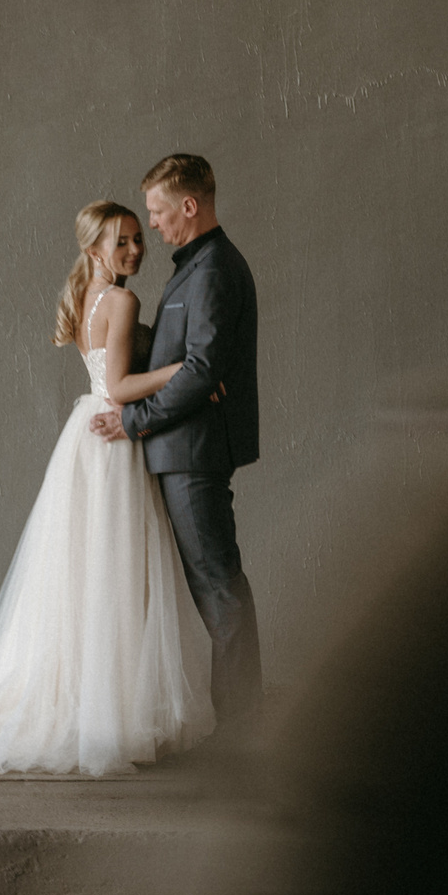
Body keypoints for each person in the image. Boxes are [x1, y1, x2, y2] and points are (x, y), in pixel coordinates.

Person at [0, 201, 215, 775]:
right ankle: (110, 714)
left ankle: (97, 703)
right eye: (122, 243)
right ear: (93, 251)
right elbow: (119, 384)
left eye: (138, 239)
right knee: (114, 574)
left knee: (87, 575)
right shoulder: (123, 299)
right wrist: (188, 370)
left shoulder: (89, 294)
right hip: (111, 440)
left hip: (85, 436)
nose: (135, 251)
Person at [90, 154, 262, 747]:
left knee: (219, 589)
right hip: (185, 449)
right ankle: (240, 726)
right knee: (217, 588)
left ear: (189, 205)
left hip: (193, 454)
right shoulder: (196, 266)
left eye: (159, 213)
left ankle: (241, 732)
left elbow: (201, 369)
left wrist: (134, 418)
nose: (154, 227)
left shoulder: (212, 269)